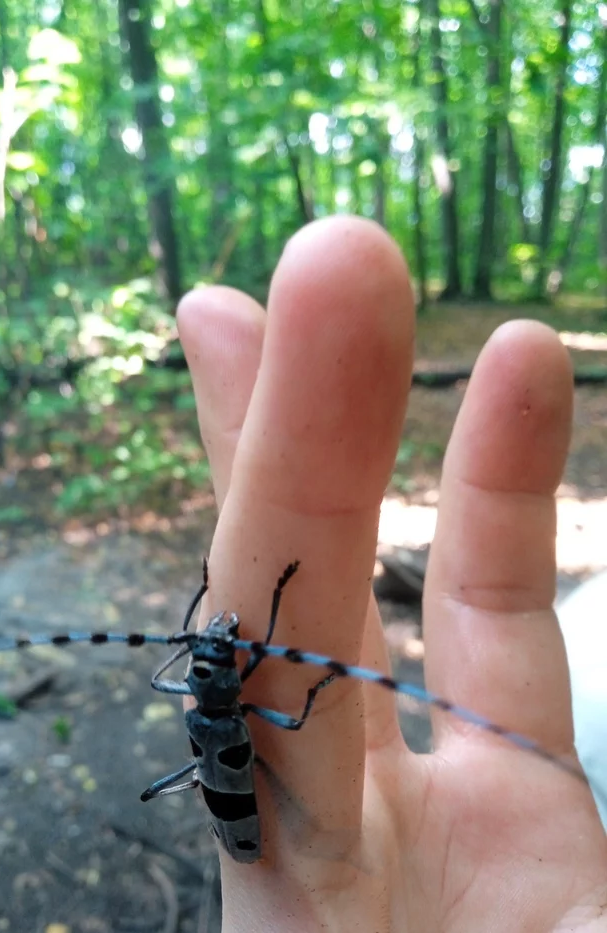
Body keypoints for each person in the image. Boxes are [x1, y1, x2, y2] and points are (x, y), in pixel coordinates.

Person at [176, 217, 607, 932]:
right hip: (247, 825)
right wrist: (305, 671)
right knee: (276, 714)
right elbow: (282, 707)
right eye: (210, 664)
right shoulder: (237, 704)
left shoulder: (215, 697)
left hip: (238, 793)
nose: (213, 658)